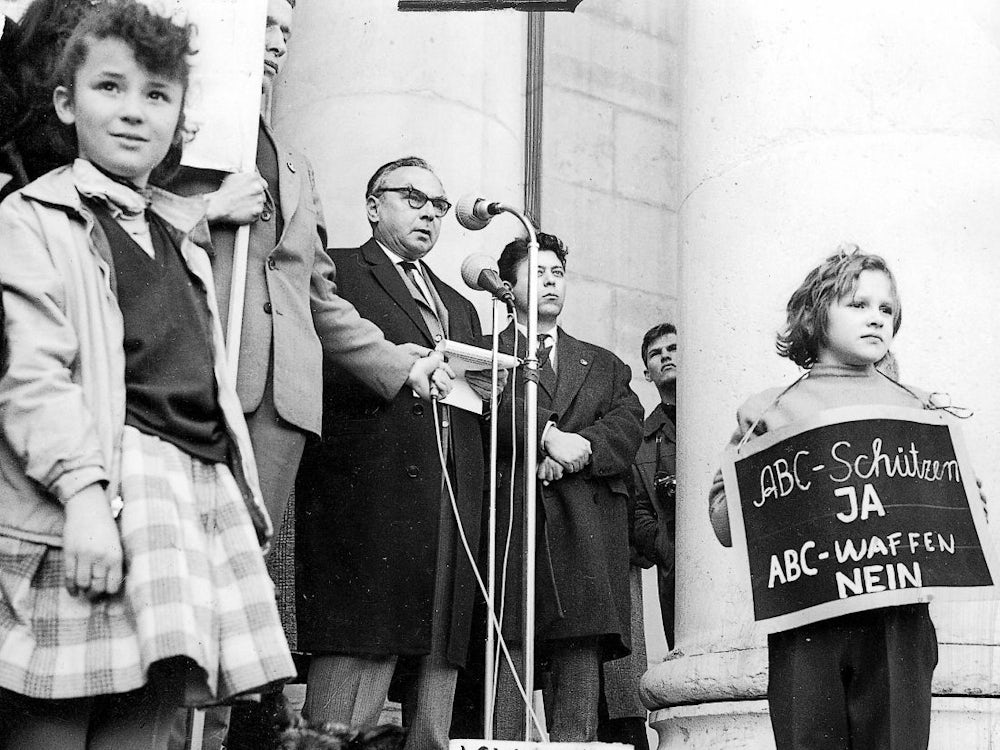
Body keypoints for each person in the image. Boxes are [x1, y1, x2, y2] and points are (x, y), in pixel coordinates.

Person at [0, 2, 295, 747]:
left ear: (179, 119)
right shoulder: (31, 219)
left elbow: (205, 391)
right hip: (92, 499)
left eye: (157, 95)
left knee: (148, 725)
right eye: (111, 88)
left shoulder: (177, 238)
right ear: (67, 103)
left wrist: (243, 507)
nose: (134, 112)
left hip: (184, 503)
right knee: (52, 724)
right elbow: (34, 373)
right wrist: (84, 500)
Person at [708, 246, 939, 750]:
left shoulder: (918, 407)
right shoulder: (771, 408)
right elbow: (725, 523)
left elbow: (961, 515)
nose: (876, 318)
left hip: (897, 622)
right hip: (807, 617)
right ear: (816, 314)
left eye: (886, 309)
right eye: (858, 304)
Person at [294, 156, 490, 750]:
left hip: (449, 497)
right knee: (358, 663)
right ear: (374, 205)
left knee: (438, 666)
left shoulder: (460, 305)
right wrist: (394, 363)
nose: (430, 212)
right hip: (369, 494)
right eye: (413, 197)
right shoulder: (343, 273)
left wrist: (489, 384)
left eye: (437, 204)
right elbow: (314, 361)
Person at [487, 232, 644, 742]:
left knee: (578, 677)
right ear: (508, 288)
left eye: (558, 272)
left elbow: (626, 424)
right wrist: (544, 439)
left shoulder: (603, 363)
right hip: (514, 530)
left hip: (583, 537)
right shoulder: (490, 349)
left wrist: (576, 450)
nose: (552, 281)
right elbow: (487, 410)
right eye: (538, 272)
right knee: (507, 663)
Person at [633, 322, 678, 649]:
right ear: (647, 373)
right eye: (656, 354)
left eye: (673, 349)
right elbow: (639, 510)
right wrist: (665, 547)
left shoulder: (723, 416)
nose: (665, 357)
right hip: (676, 570)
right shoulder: (642, 440)